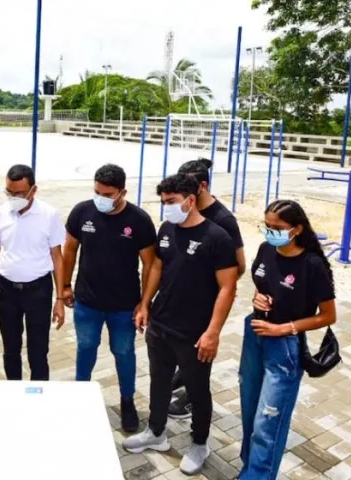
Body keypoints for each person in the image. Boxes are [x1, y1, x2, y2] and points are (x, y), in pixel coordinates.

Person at [123, 173, 238, 475]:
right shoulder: (166, 229)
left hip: (194, 332)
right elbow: (158, 266)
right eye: (163, 202)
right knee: (158, 382)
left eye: (171, 202)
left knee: (198, 391)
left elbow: (228, 287)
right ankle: (156, 432)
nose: (166, 208)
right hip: (161, 324)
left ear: (190, 200)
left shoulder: (217, 237)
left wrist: (212, 332)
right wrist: (145, 304)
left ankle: (199, 443)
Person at [239, 199, 336, 479]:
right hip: (255, 333)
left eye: (277, 227)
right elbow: (261, 286)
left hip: (284, 346)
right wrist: (257, 298)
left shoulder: (311, 263)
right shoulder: (266, 249)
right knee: (249, 411)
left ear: (296, 229)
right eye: (266, 226)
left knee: (268, 422)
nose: (270, 232)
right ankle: (249, 469)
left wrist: (285, 328)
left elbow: (328, 316)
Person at [62, 164, 157, 433]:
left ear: (122, 192)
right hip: (87, 302)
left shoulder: (139, 220)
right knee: (86, 348)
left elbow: (150, 265)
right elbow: (69, 251)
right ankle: (81, 395)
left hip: (124, 305)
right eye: (97, 192)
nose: (101, 198)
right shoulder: (82, 211)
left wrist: (144, 302)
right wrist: (65, 287)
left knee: (124, 352)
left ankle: (127, 401)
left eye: (107, 194)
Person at [168, 157, 247, 419]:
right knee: (184, 347)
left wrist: (208, 283)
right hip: (181, 299)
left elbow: (239, 266)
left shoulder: (223, 220)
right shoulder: (183, 210)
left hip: (206, 301)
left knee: (202, 349)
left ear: (202, 186)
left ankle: (193, 398)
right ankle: (183, 376)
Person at [0, 164, 66, 381]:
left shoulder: (49, 215)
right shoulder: (0, 214)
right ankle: (14, 392)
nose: (13, 198)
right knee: (10, 349)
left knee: (38, 351)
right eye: (9, 192)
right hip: (7, 290)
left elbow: (57, 257)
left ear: (33, 190)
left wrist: (59, 298)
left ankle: (39, 397)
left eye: (19, 193)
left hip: (38, 290)